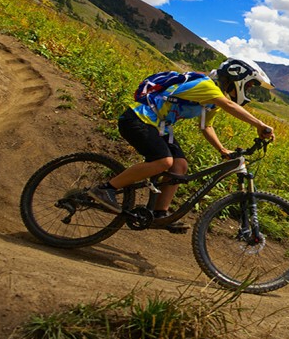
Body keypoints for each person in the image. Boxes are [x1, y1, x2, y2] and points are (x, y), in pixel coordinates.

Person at [88, 58, 275, 230]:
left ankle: (160, 214)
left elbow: (206, 127)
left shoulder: (213, 101)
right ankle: (106, 189)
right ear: (237, 76)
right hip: (138, 119)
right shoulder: (207, 86)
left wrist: (222, 149)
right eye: (249, 85)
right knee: (164, 161)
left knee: (180, 165)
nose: (248, 91)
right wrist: (260, 125)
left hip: (159, 126)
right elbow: (230, 106)